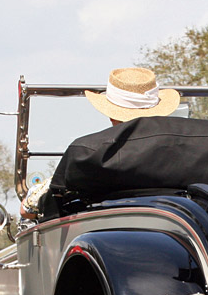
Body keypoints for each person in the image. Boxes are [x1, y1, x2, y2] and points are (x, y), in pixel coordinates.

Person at [20, 67, 184, 220]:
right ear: (158, 112)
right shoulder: (182, 153)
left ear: (112, 116)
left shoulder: (91, 155)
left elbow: (28, 207)